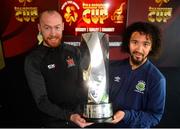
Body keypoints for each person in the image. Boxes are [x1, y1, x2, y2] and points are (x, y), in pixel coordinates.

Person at [24, 9, 92, 128]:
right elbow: (41, 101)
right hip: (53, 123)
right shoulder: (33, 60)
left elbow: (84, 84)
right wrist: (69, 116)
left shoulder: (74, 51)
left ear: (63, 27)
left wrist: (85, 111)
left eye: (57, 27)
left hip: (79, 120)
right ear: (39, 28)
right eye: (47, 28)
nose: (53, 33)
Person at [109, 21, 166, 128]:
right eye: (135, 42)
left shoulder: (157, 79)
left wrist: (126, 115)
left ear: (152, 47)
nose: (139, 49)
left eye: (145, 44)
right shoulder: (112, 68)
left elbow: (155, 116)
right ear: (128, 43)